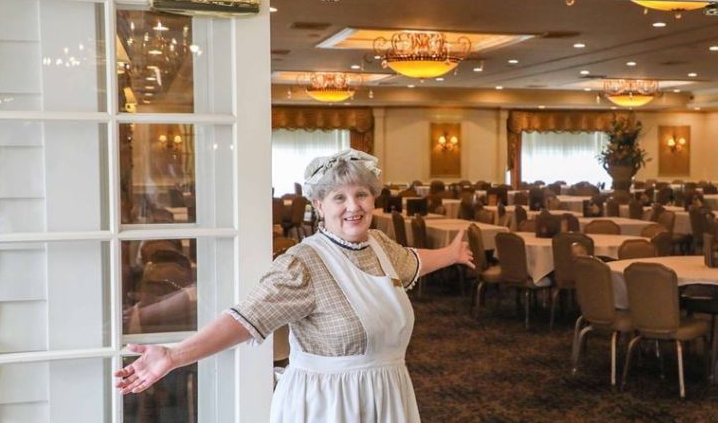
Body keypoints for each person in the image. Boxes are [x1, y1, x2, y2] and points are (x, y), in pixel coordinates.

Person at [114, 149, 474, 422]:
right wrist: (175, 355)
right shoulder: (302, 264)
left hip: (389, 392)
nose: (353, 206)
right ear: (319, 205)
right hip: (330, 405)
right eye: (339, 197)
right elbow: (244, 318)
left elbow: (411, 260)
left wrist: (451, 253)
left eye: (361, 194)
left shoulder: (380, 245)